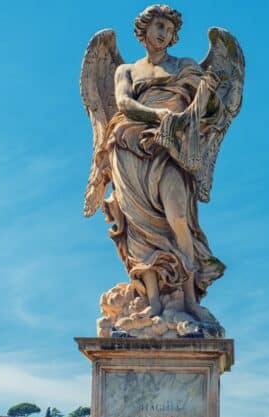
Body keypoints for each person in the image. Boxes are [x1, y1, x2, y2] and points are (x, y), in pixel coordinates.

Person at [101, 4, 225, 320]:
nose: (163, 32)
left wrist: (205, 102)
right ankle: (154, 301)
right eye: (157, 26)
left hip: (172, 149)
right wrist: (160, 115)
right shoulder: (125, 71)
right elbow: (124, 103)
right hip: (130, 147)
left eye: (168, 29)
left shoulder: (186, 67)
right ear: (144, 30)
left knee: (178, 217)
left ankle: (188, 297)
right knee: (141, 229)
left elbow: (210, 109)